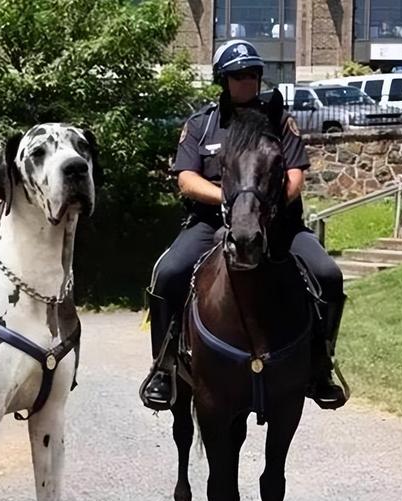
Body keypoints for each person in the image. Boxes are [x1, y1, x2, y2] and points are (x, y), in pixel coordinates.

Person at [139, 40, 348, 412]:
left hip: (277, 222)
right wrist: (233, 203)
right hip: (210, 222)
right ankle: (164, 367)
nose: (247, 81)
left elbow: (295, 177)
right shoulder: (202, 125)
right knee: (167, 273)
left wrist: (260, 209)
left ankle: (320, 367)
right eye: (238, 75)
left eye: (253, 73)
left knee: (328, 275)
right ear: (223, 79)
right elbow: (186, 179)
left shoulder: (278, 121)